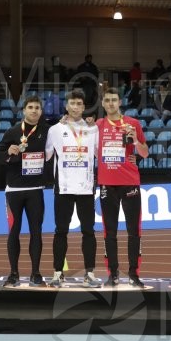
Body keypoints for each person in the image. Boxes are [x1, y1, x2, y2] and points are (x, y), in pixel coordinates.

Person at [44, 89, 102, 288]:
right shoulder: (54, 130)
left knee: (89, 231)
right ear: (66, 106)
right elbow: (46, 156)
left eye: (79, 104)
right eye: (72, 103)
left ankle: (90, 274)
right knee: (61, 231)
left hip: (86, 188)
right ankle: (58, 273)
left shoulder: (93, 129)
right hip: (63, 188)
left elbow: (99, 155)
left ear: (84, 107)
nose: (76, 107)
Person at [0, 95, 52, 288]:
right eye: (31, 107)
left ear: (41, 111)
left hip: (36, 190)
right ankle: (13, 274)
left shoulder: (46, 131)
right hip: (14, 190)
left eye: (37, 107)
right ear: (24, 110)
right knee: (14, 231)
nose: (34, 110)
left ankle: (35, 274)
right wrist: (7, 152)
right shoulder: (12, 132)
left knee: (36, 232)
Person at [96, 87, 149, 288]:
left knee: (133, 232)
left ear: (120, 103)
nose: (110, 103)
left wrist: (135, 140)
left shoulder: (133, 124)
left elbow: (145, 153)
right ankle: (113, 274)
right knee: (110, 232)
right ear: (103, 103)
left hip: (130, 184)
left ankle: (134, 274)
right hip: (107, 185)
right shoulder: (98, 125)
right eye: (107, 100)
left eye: (114, 100)